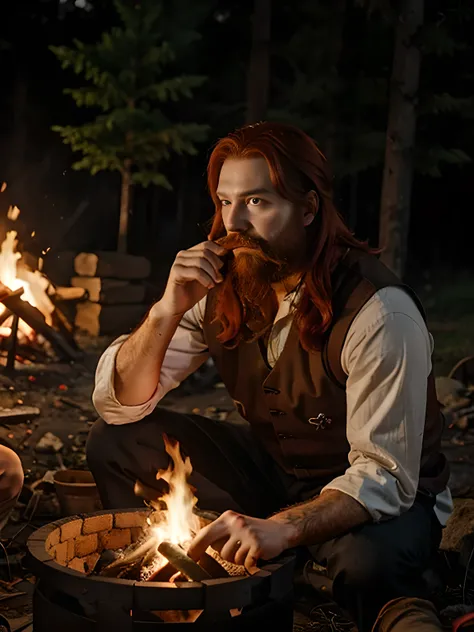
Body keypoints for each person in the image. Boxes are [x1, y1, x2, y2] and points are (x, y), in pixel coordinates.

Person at [89, 122, 451, 632]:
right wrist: (166, 311)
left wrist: (284, 527)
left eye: (257, 202)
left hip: (375, 493)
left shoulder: (380, 313)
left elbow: (385, 476)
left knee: (370, 565)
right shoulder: (224, 282)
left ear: (307, 209)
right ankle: (177, 578)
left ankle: (343, 577)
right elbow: (119, 403)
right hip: (279, 474)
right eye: (224, 201)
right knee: (116, 440)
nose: (232, 224)